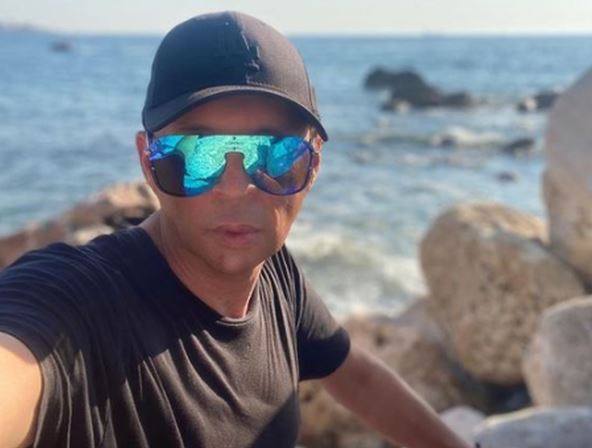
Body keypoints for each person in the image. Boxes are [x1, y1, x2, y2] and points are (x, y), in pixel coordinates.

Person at [0, 11, 472, 448]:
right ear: (147, 161)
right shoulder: (78, 304)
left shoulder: (277, 278)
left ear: (314, 165)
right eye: (196, 153)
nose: (234, 188)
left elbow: (358, 377)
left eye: (275, 155)